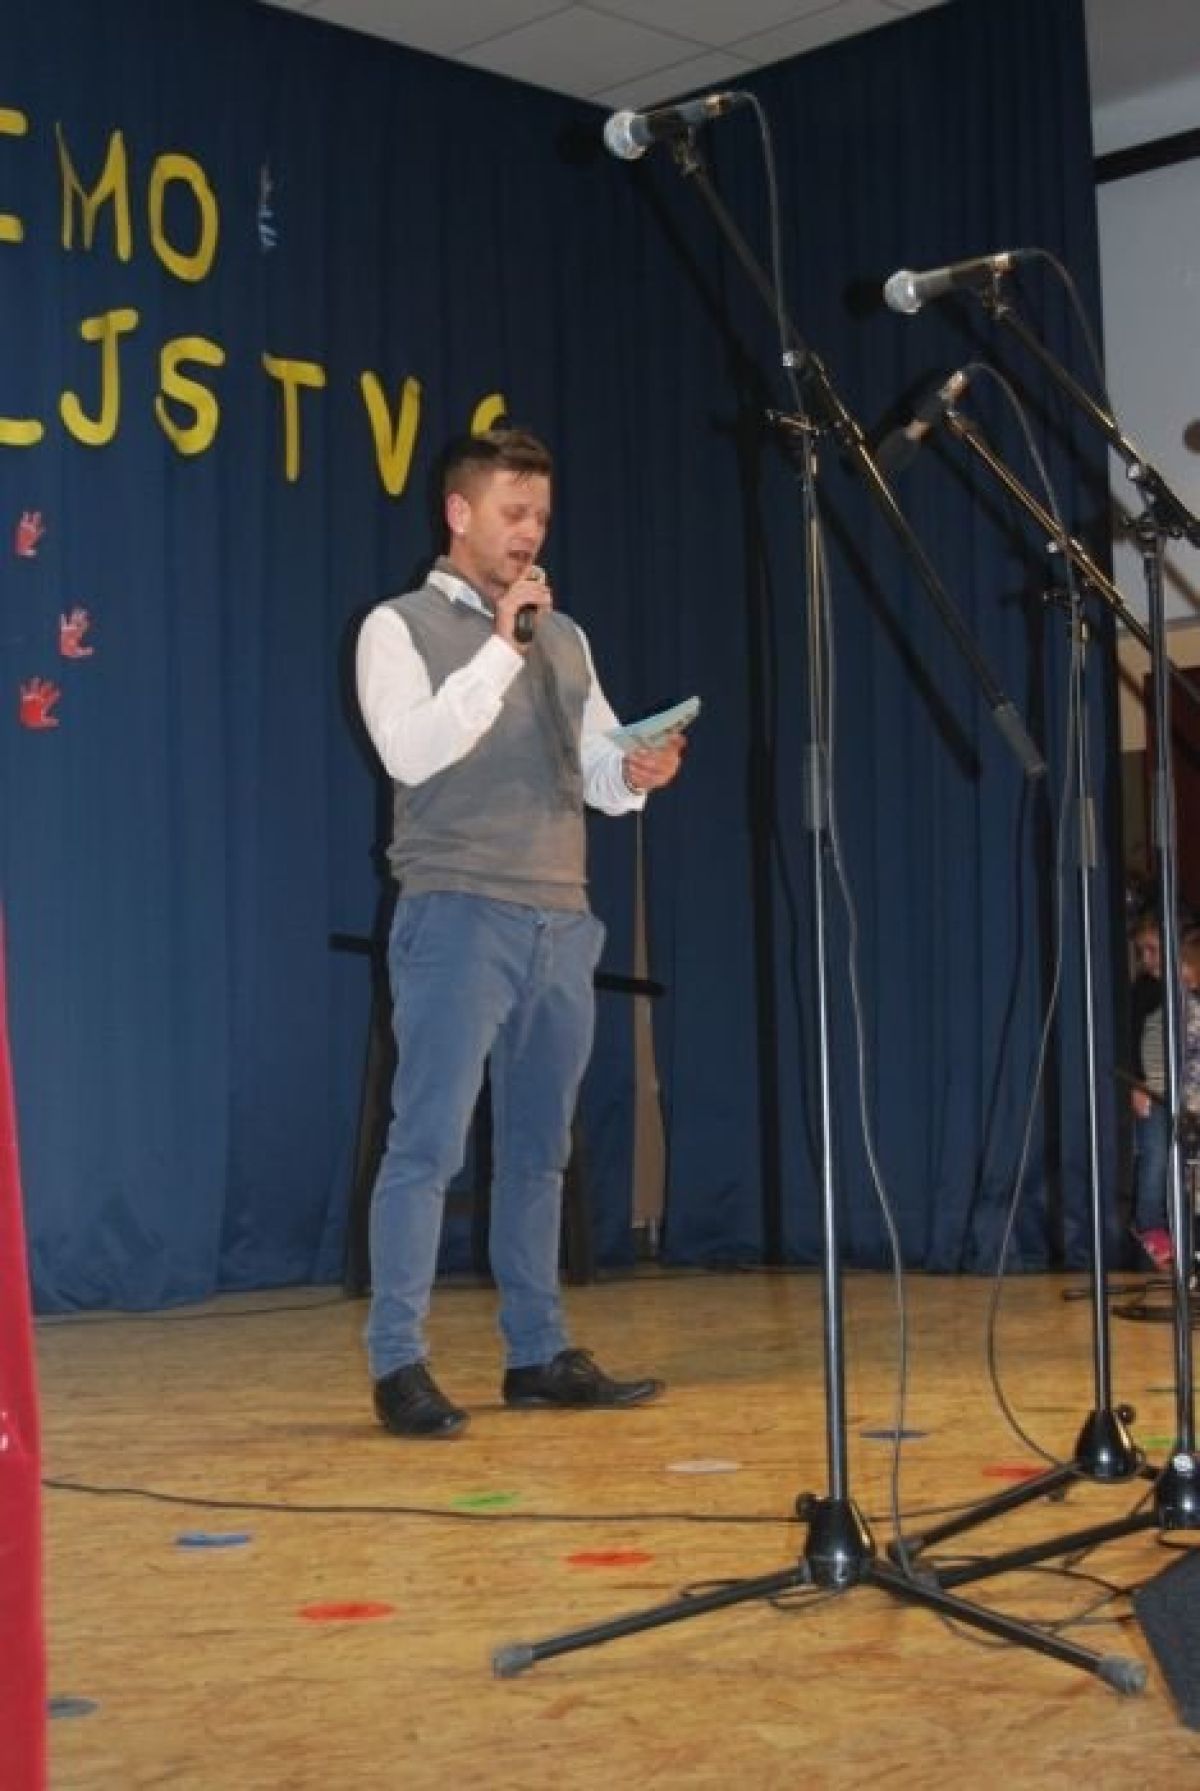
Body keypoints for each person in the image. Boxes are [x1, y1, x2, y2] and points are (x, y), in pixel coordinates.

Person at [355, 427, 686, 1438]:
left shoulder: (565, 638)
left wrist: (634, 771)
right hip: (457, 910)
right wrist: (502, 647)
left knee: (541, 1151)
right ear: (459, 513)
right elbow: (411, 751)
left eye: (539, 513)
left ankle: (535, 1352)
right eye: (512, 512)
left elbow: (596, 770)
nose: (530, 531)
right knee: (427, 1145)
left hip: (560, 917)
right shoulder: (397, 626)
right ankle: (399, 1362)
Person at [1129, 919, 1200, 1272]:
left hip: (1190, 1096)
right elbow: (1130, 1039)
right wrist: (1136, 1085)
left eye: (1153, 950)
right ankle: (1151, 1227)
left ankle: (1185, 1236)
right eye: (1141, 951)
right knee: (1156, 1157)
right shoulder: (1146, 989)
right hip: (1155, 1093)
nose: (1146, 958)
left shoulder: (1188, 989)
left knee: (1186, 1168)